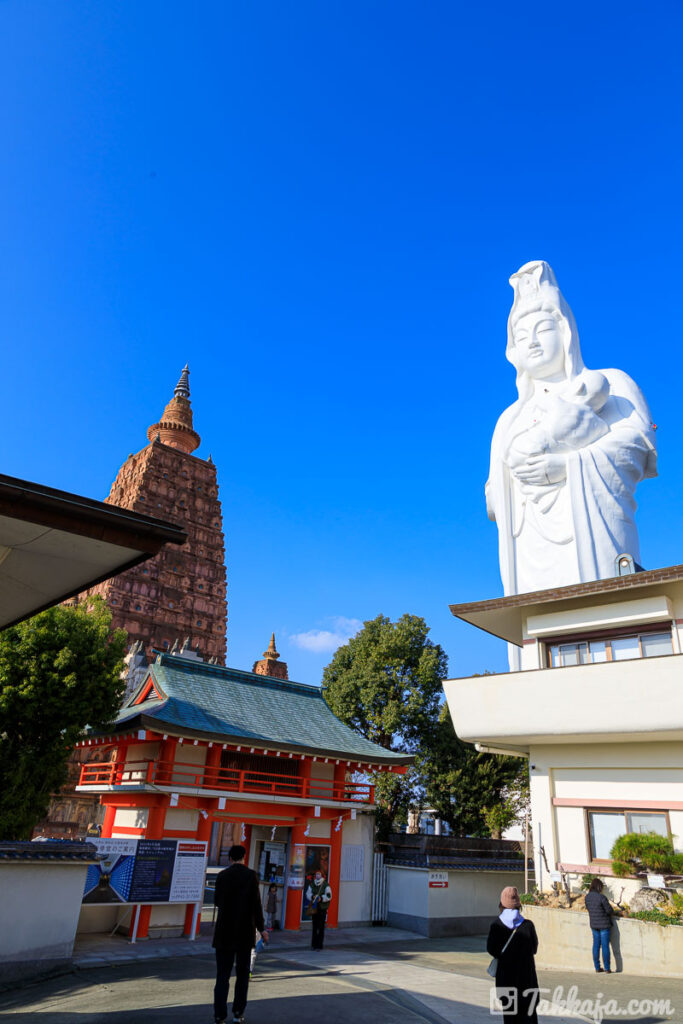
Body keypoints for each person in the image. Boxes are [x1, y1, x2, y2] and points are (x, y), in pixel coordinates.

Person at [487, 261, 657, 609]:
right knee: (541, 622)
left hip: (593, 538)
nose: (533, 342)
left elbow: (636, 447)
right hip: (529, 553)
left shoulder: (611, 384)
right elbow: (493, 499)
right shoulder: (508, 420)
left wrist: (567, 465)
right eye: (522, 336)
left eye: (543, 329)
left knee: (605, 619)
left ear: (565, 332)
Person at [212, 844, 268, 1024]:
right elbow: (256, 905)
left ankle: (219, 1015)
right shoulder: (251, 876)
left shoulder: (222, 876)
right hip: (244, 932)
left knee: (222, 976)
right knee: (242, 976)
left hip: (224, 932)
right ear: (244, 857)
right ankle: (238, 1013)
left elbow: (217, 901)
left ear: (230, 858)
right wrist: (261, 928)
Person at [487, 886, 539, 1022]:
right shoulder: (528, 925)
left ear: (502, 904)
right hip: (527, 980)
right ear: (518, 904)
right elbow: (534, 949)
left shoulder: (496, 925)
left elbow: (492, 950)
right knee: (529, 1017)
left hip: (506, 980)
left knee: (510, 1018)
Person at [584, 877, 614, 973]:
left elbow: (589, 908)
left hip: (594, 924)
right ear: (599, 887)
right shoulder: (601, 897)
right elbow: (609, 910)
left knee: (596, 946)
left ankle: (597, 967)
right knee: (605, 946)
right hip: (604, 925)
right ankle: (607, 968)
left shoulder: (587, 897)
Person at [306, 869, 332, 950]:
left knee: (321, 927)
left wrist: (321, 898)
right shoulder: (312, 884)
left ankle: (319, 945)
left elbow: (329, 896)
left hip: (322, 908)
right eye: (316, 874)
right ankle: (314, 945)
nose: (317, 875)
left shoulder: (325, 885)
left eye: (319, 874)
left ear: (322, 875)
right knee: (314, 927)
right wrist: (312, 897)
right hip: (314, 908)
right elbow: (308, 893)